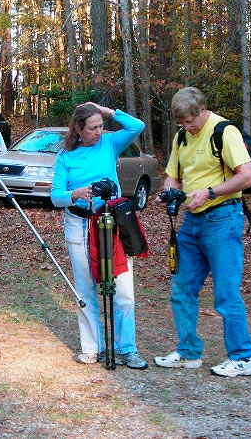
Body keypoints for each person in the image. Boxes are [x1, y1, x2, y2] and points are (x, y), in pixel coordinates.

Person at [154, 87, 251, 377]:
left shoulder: (224, 132)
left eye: (190, 121)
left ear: (202, 110)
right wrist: (168, 193)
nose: (187, 127)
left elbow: (247, 177)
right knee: (182, 288)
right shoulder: (182, 136)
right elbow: (174, 176)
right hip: (191, 223)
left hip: (223, 220)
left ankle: (242, 358)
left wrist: (210, 193)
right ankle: (188, 353)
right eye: (182, 123)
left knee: (226, 293)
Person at [51, 102, 148, 369]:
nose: (98, 132)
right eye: (92, 128)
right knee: (86, 288)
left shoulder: (109, 143)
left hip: (112, 222)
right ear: (78, 129)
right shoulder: (66, 156)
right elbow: (55, 196)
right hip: (79, 224)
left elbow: (136, 126)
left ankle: (126, 348)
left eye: (100, 126)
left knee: (124, 290)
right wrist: (75, 193)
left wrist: (105, 111)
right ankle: (93, 347)